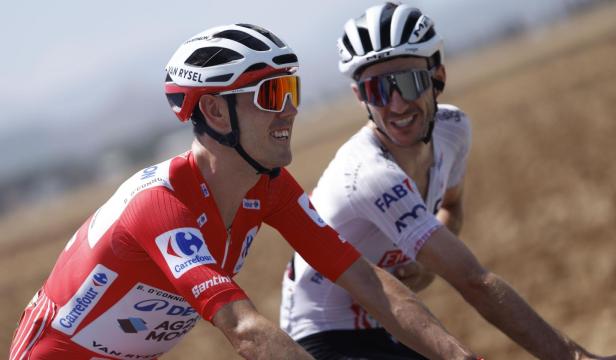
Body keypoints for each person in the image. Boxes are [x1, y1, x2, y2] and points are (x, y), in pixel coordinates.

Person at [8, 23, 484, 360]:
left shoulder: (269, 185)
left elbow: (365, 280)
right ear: (215, 112)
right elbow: (245, 329)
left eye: (291, 90)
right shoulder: (161, 204)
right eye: (272, 95)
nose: (291, 111)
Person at [280, 3, 616, 360]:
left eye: (409, 81)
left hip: (387, 319)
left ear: (438, 78)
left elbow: (450, 205)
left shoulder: (453, 130)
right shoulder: (370, 174)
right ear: (361, 98)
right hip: (324, 335)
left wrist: (423, 264)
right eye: (378, 90)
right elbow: (474, 282)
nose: (397, 104)